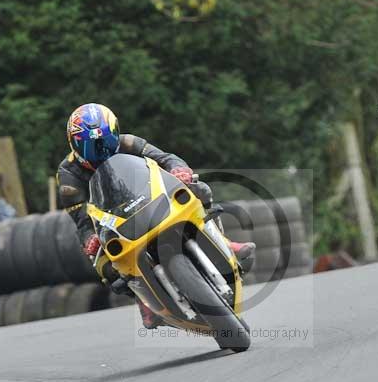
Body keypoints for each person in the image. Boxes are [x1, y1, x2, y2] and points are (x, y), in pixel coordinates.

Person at [57, 103, 255, 327]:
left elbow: (166, 158)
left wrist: (179, 169)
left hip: (151, 198)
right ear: (75, 145)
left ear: (115, 132)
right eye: (92, 147)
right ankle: (143, 300)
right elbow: (81, 219)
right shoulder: (68, 175)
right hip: (114, 218)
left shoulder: (128, 142)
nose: (101, 151)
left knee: (200, 189)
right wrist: (89, 239)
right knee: (102, 261)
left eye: (106, 141)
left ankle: (224, 242)